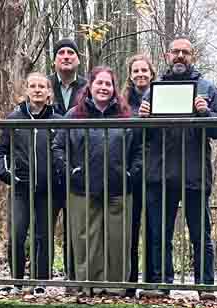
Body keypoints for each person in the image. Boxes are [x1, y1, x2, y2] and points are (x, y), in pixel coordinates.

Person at [138, 38, 217, 295]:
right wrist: (142, 118)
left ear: (193, 55)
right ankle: (159, 284)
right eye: (175, 51)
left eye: (185, 52)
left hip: (194, 175)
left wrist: (205, 112)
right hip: (159, 175)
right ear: (168, 55)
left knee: (201, 235)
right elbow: (140, 137)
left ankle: (205, 285)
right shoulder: (154, 89)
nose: (180, 56)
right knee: (158, 234)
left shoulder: (207, 88)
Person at [52, 66, 142, 294]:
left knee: (118, 241)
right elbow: (58, 147)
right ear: (90, 86)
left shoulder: (127, 115)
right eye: (99, 83)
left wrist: (131, 174)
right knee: (85, 240)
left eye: (108, 84)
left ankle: (116, 289)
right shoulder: (74, 114)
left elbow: (140, 150)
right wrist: (71, 173)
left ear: (114, 89)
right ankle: (87, 286)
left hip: (119, 188)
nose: (103, 87)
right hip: (83, 188)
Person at [0, 72, 63, 291]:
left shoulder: (58, 121)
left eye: (42, 86)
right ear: (26, 90)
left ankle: (40, 282)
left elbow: (64, 151)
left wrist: (58, 175)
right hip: (21, 187)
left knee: (43, 236)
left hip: (48, 189)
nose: (37, 90)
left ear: (49, 92)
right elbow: (2, 150)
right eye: (32, 86)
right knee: (17, 233)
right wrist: (6, 173)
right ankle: (17, 281)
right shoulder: (14, 119)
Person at [49, 38, 87, 280]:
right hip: (48, 170)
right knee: (44, 227)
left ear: (78, 59)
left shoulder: (88, 88)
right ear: (54, 60)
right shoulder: (43, 86)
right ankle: (40, 278)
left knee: (76, 227)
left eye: (70, 52)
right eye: (61, 53)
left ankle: (74, 278)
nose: (65, 56)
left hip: (78, 171)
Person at [123, 54, 156, 285]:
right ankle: (130, 280)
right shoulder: (123, 102)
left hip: (156, 170)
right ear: (130, 75)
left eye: (144, 70)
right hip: (131, 172)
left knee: (154, 228)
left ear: (152, 73)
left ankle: (154, 280)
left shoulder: (160, 96)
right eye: (136, 71)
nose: (140, 74)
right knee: (130, 228)